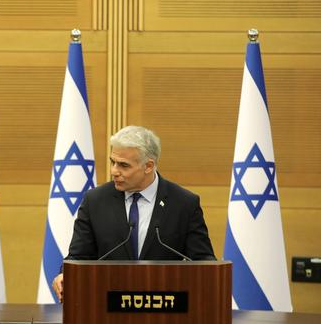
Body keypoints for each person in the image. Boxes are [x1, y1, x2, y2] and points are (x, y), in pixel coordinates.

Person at [52, 125, 215, 301]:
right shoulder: (96, 201)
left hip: (166, 310)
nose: (114, 171)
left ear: (148, 166)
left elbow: (203, 262)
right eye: (113, 162)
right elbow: (79, 256)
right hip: (107, 307)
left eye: (123, 165)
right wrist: (65, 275)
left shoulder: (183, 203)